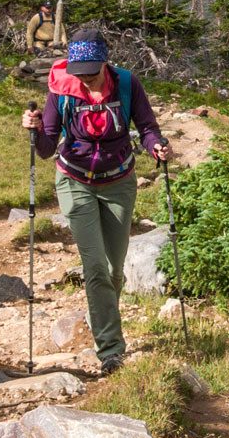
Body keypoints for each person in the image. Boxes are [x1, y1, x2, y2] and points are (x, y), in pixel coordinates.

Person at [23, 27, 167, 377]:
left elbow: (146, 126)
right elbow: (45, 149)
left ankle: (99, 312)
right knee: (96, 267)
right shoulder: (62, 88)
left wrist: (156, 145)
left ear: (104, 62)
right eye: (78, 72)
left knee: (115, 270)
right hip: (75, 181)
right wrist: (33, 128)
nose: (84, 79)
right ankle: (111, 350)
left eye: (90, 71)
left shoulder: (127, 84)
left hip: (119, 182)